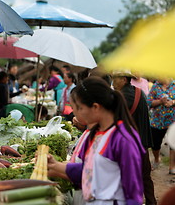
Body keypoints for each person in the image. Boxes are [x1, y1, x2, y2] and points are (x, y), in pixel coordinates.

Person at [47, 76, 145, 204]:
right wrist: (57, 166)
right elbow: (91, 171)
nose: (76, 113)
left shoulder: (123, 139)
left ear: (95, 107)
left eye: (80, 108)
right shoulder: (96, 134)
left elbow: (133, 193)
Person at [112, 70, 156, 205]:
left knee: (129, 177)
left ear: (124, 79)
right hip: (141, 141)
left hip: (129, 143)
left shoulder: (122, 96)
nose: (113, 82)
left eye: (115, 78)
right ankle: (151, 202)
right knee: (145, 176)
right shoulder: (138, 92)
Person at [147, 78, 175, 174]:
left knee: (173, 144)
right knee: (155, 143)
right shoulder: (155, 86)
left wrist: (173, 102)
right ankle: (156, 159)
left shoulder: (174, 85)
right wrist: (160, 101)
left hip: (172, 120)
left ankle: (172, 167)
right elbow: (149, 101)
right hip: (157, 121)